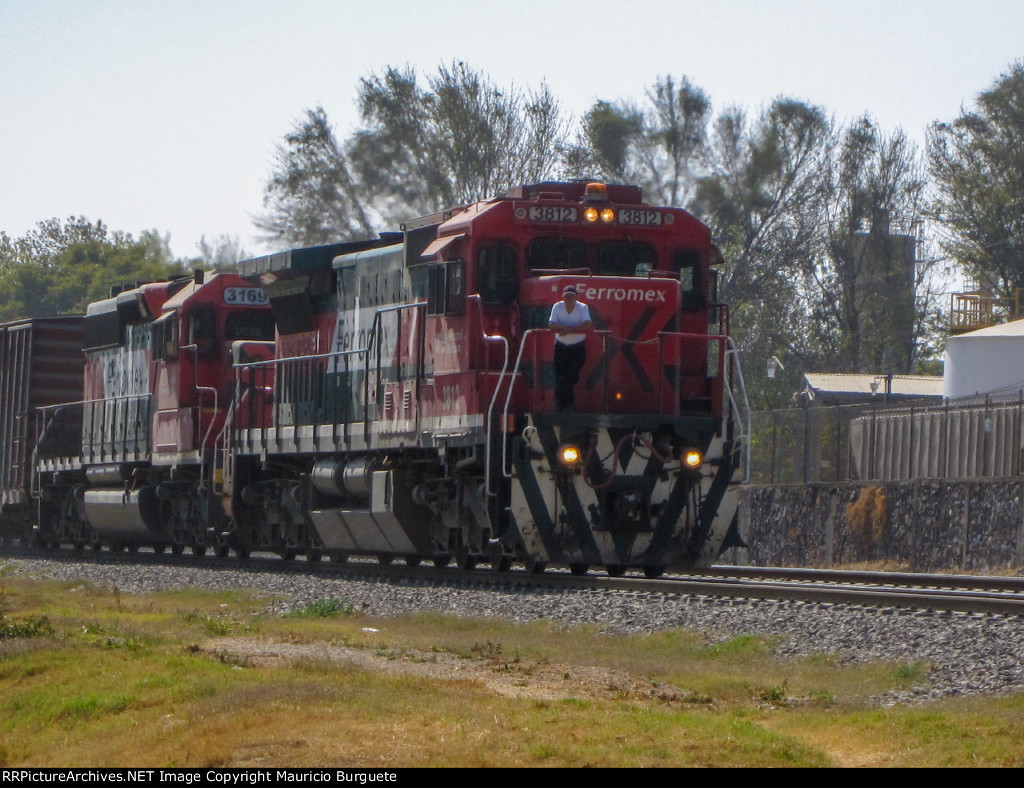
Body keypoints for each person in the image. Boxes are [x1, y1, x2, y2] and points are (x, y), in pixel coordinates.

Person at [548, 285, 592, 411]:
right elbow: (551, 324)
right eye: (567, 296)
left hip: (577, 348)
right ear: (563, 297)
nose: (569, 298)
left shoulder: (583, 307)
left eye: (571, 296)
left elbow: (587, 324)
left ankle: (564, 402)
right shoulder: (557, 307)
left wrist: (569, 330)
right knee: (560, 375)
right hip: (561, 347)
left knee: (572, 374)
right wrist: (564, 328)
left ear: (576, 297)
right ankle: (563, 405)